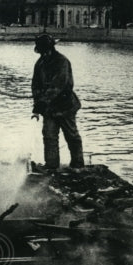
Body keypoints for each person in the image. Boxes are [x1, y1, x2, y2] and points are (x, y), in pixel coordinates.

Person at [30, 33, 84, 169]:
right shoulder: (40, 63)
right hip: (49, 109)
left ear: (51, 49)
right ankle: (52, 166)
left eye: (45, 51)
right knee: (49, 136)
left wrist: (40, 104)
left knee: (72, 136)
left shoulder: (62, 62)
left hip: (66, 106)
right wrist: (37, 103)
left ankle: (78, 165)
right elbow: (35, 85)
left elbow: (57, 86)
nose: (43, 54)